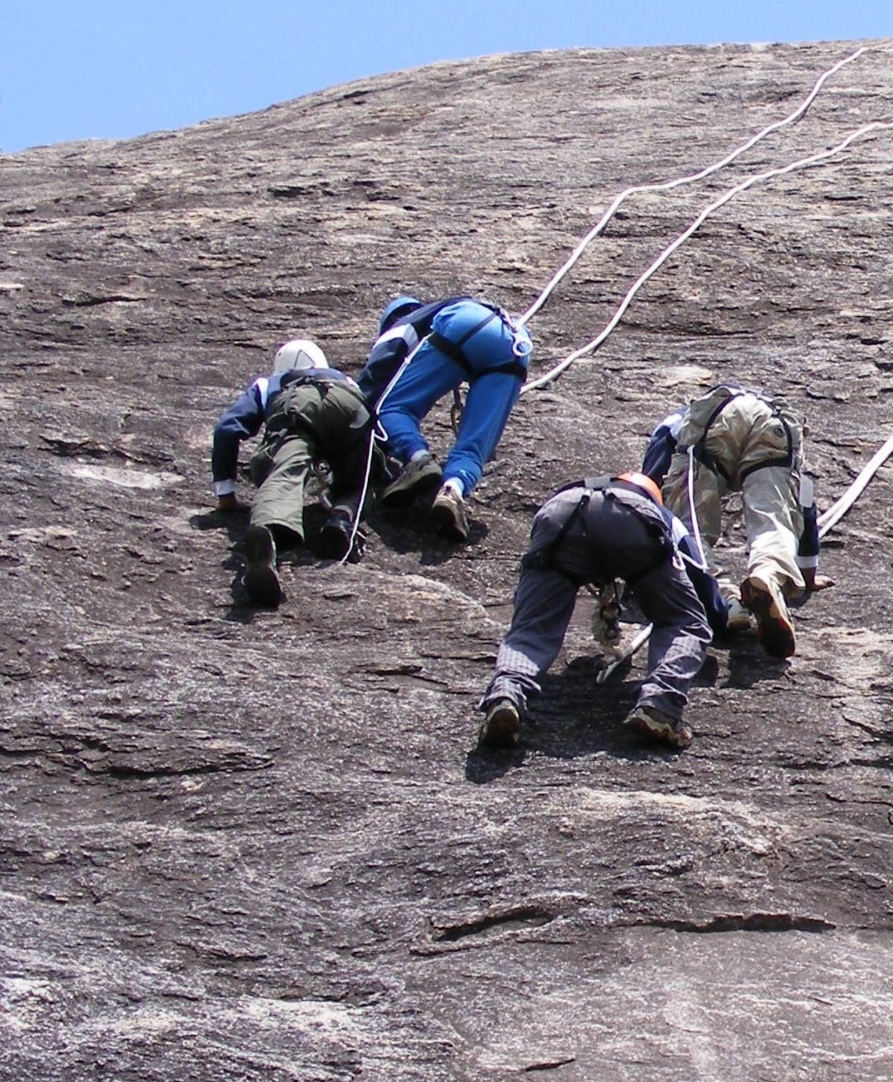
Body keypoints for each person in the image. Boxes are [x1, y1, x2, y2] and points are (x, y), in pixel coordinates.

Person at [476, 472, 732, 752]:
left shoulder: (577, 490)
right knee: (684, 622)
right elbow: (696, 569)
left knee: (531, 628)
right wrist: (719, 616)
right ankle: (660, 704)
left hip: (558, 513)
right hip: (629, 518)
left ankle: (507, 693)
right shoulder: (655, 507)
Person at [639, 384, 824, 659]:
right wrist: (807, 572)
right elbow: (804, 502)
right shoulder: (758, 404)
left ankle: (726, 598)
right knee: (775, 518)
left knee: (688, 528)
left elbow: (648, 494)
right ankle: (770, 574)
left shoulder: (669, 428)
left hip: (715, 419)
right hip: (773, 421)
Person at [356, 293, 532, 541]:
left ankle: (419, 459)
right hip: (516, 343)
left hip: (465, 325)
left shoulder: (404, 324)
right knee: (473, 448)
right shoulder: (450, 305)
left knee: (389, 409)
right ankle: (453, 490)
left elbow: (371, 388)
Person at [210, 339, 372, 606]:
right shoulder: (346, 379)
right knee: (360, 477)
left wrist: (226, 494)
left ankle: (267, 536)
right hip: (350, 403)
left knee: (283, 470)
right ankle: (341, 520)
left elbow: (227, 429)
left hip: (298, 405)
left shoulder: (269, 384)